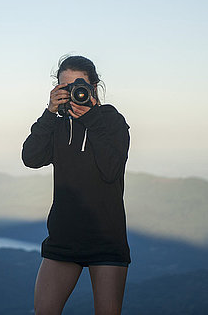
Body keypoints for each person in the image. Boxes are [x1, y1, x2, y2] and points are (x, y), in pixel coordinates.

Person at [22, 54, 131, 315]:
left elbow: (111, 170)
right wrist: (49, 113)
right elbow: (31, 158)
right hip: (63, 238)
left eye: (78, 86)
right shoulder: (57, 126)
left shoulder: (111, 122)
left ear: (93, 87)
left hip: (106, 240)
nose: (72, 93)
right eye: (64, 87)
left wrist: (90, 119)